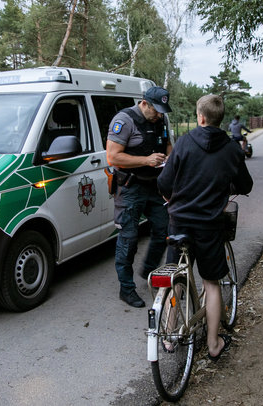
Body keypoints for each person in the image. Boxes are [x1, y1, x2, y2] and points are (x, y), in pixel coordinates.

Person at [158, 94, 253, 361]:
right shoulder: (232, 148)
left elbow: (164, 183)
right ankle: (213, 344)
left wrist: (172, 197)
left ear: (200, 117)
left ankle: (168, 336)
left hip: (179, 222)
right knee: (211, 283)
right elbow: (245, 185)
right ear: (220, 119)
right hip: (211, 226)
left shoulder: (184, 142)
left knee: (175, 279)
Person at [106, 86, 173, 308]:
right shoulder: (124, 120)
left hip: (154, 186)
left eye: (163, 111)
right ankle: (126, 289)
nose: (160, 115)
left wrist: (171, 161)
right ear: (144, 103)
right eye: (156, 110)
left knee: (164, 230)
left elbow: (168, 146)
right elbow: (113, 157)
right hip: (130, 187)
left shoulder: (160, 120)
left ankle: (149, 272)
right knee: (129, 238)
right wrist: (146, 160)